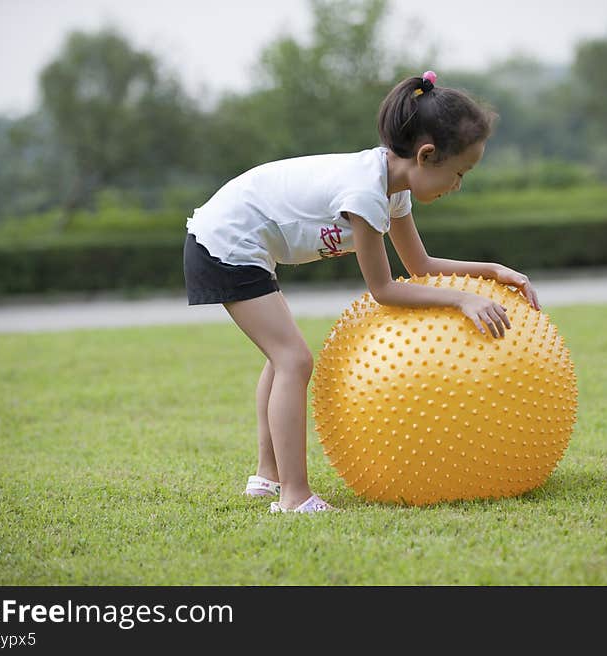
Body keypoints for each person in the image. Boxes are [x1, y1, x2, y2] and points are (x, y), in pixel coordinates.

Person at [184, 71, 541, 513]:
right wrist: (462, 299)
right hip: (226, 241)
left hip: (239, 237)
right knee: (292, 358)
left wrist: (491, 272)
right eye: (458, 173)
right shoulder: (366, 191)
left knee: (283, 357)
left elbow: (420, 268)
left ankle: (268, 477)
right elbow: (386, 290)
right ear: (427, 155)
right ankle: (294, 497)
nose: (457, 186)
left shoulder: (392, 187)